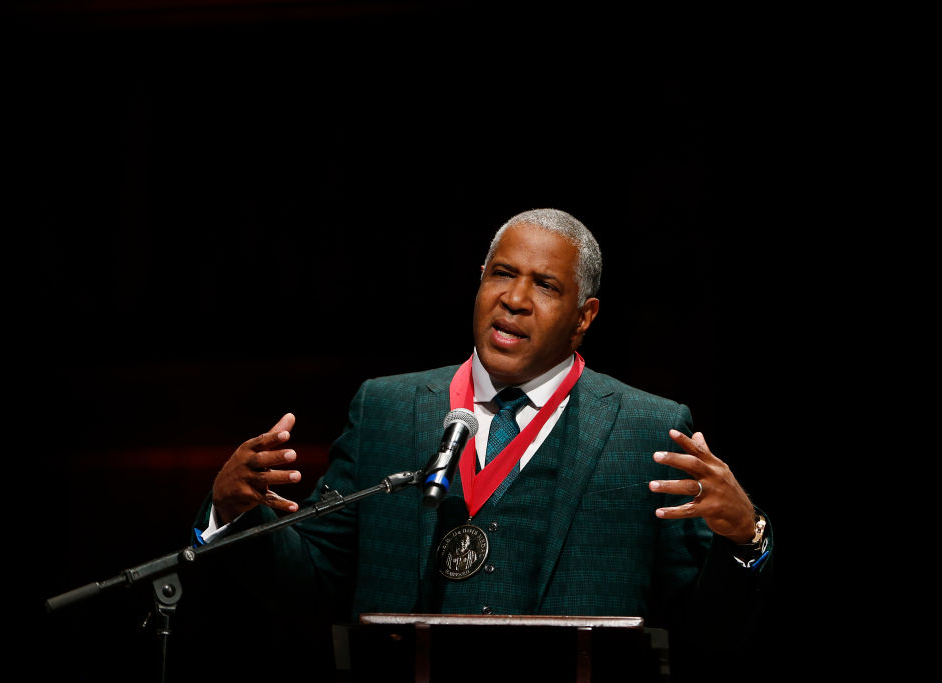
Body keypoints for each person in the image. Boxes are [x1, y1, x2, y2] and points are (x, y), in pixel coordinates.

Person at [189, 208, 773, 676]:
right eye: (502, 273)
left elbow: (710, 634)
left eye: (545, 285)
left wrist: (745, 541)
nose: (514, 299)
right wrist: (232, 514)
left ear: (584, 316)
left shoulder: (646, 428)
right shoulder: (387, 409)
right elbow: (310, 580)